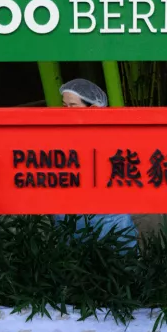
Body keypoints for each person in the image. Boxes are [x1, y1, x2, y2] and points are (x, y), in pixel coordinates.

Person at [56, 78, 137, 247]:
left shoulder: (114, 139)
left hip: (110, 220)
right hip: (68, 218)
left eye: (73, 106)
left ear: (92, 109)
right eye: (64, 106)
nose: (66, 111)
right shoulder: (58, 138)